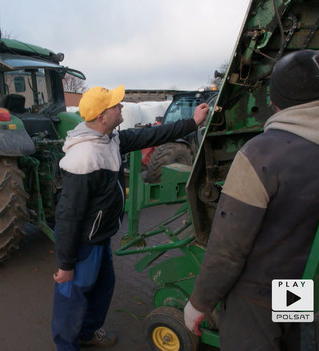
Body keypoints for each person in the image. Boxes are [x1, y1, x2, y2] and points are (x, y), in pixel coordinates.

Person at [183, 49, 319, 350]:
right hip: (298, 286)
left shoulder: (260, 153)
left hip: (257, 296)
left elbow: (228, 248)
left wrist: (199, 302)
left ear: (275, 101)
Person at [52, 84, 209, 350]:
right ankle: (67, 345)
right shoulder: (84, 158)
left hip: (100, 237)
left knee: (104, 286)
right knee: (74, 295)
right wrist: (66, 265)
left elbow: (151, 135)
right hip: (83, 244)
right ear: (102, 117)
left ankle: (88, 332)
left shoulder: (108, 139)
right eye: (115, 105)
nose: (121, 106)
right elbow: (68, 217)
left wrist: (191, 122)